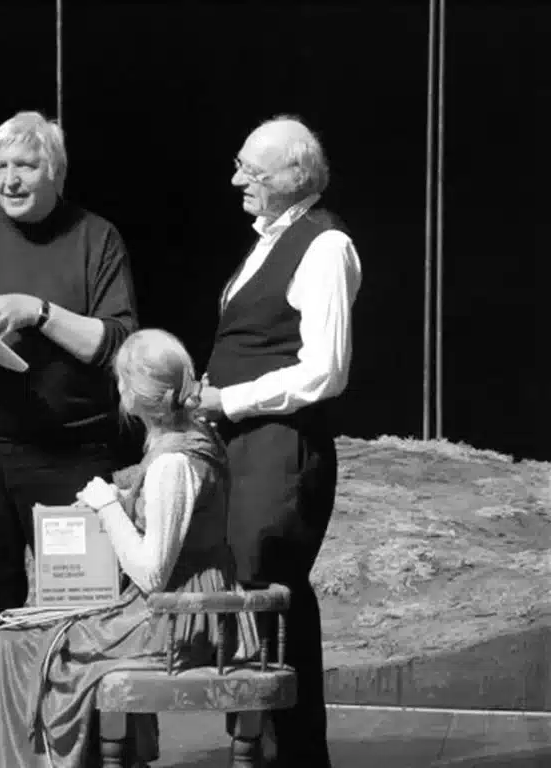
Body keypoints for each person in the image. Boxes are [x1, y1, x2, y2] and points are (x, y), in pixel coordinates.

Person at [0, 110, 139, 702]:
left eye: (25, 166)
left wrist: (34, 310)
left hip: (69, 459)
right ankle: (5, 740)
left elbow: (113, 341)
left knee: (86, 611)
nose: (9, 179)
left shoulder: (96, 237)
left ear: (54, 172)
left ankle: (91, 745)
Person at [0, 328, 258, 768]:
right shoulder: (187, 439)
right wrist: (126, 500)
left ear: (137, 393)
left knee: (18, 643)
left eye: (122, 379)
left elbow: (152, 573)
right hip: (182, 605)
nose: (118, 387)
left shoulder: (173, 462)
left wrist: (108, 508)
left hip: (181, 615)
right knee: (26, 631)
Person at [198, 115, 363, 767]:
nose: (237, 179)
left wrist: (229, 398)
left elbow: (326, 370)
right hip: (243, 445)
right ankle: (261, 745)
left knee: (270, 586)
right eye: (239, 164)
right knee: (251, 590)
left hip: (283, 448)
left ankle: (292, 753)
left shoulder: (324, 246)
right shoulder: (270, 240)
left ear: (296, 178)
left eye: (252, 170)